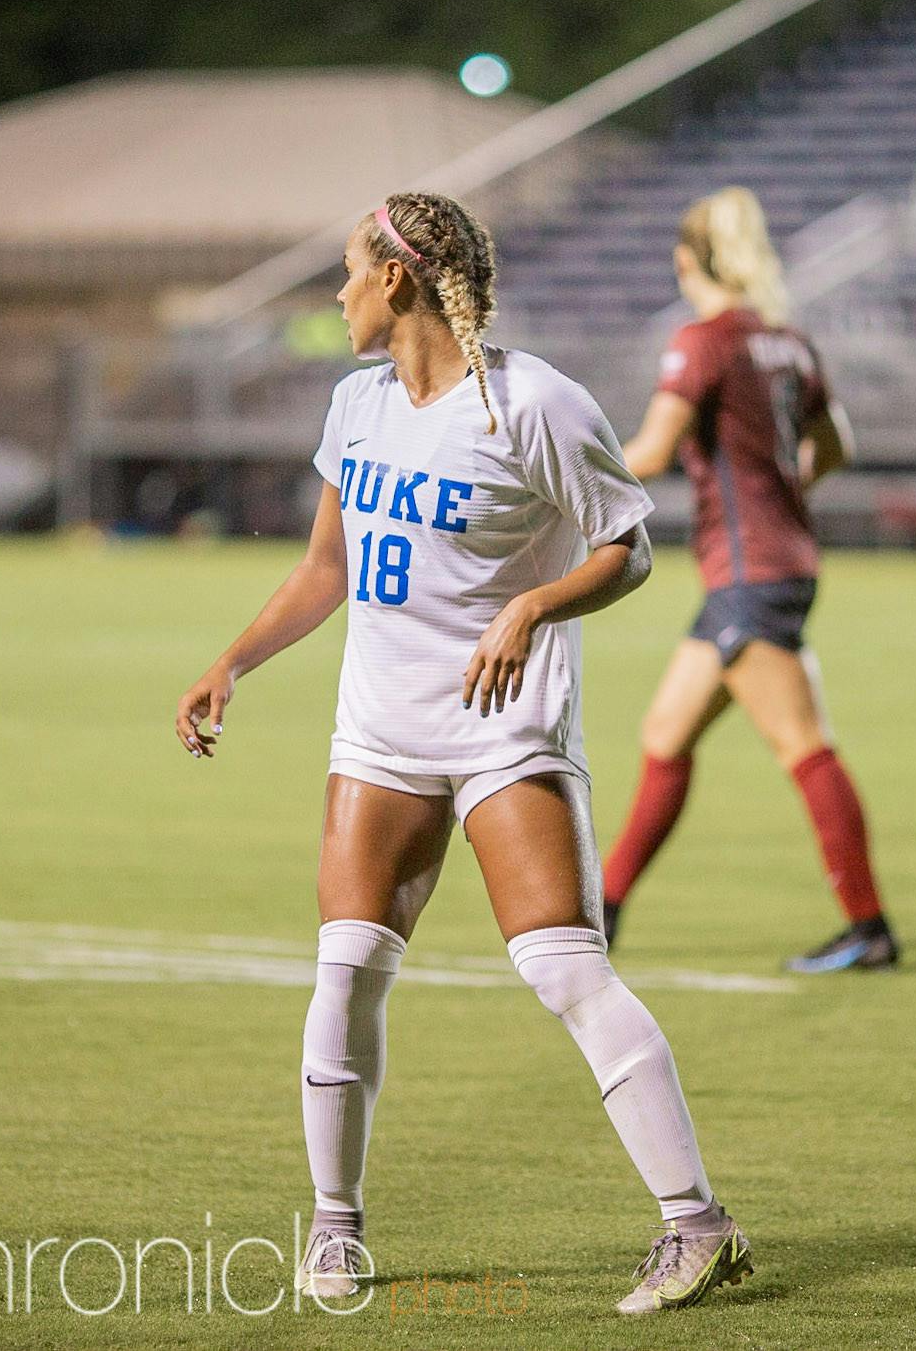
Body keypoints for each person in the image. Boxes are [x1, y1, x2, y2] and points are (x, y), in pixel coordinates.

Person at [174, 192, 751, 1316]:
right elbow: (324, 572)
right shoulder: (356, 406)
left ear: (395, 280)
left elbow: (628, 553)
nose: (335, 294)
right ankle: (334, 1231)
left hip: (503, 728)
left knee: (563, 967)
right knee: (346, 967)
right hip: (381, 732)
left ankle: (697, 1224)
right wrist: (231, 663)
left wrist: (533, 606)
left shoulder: (533, 404)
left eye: (345, 272)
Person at [598, 186, 898, 973]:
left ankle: (869, 928)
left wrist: (563, 478)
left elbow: (655, 450)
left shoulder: (702, 340)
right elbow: (834, 443)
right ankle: (604, 907)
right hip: (776, 562)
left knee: (803, 746)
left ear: (683, 259)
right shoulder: (785, 340)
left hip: (749, 576)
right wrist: (780, 487)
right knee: (665, 734)